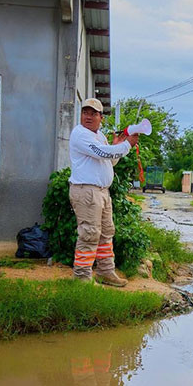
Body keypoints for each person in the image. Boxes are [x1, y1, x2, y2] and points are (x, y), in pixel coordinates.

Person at [69, 98, 138, 286]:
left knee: (106, 233)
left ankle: (105, 271)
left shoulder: (99, 136)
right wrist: (126, 145)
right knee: (89, 233)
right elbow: (102, 153)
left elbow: (109, 160)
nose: (88, 116)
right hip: (87, 191)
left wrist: (116, 145)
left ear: (101, 118)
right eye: (85, 112)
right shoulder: (80, 134)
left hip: (101, 192)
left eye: (93, 113)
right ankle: (82, 277)